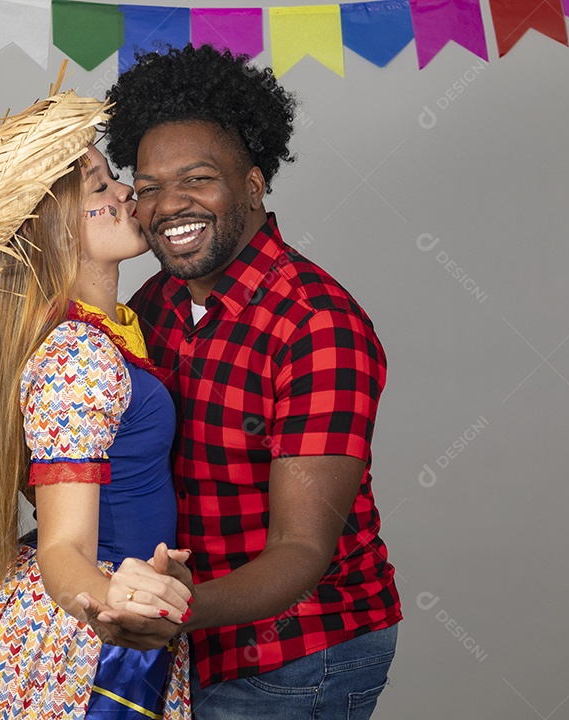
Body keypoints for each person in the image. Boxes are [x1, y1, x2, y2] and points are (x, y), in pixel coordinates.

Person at [80, 45, 402, 719]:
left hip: (300, 648)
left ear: (253, 186)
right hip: (191, 636)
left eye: (197, 180)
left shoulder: (318, 327)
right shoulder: (155, 304)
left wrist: (177, 608)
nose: (169, 206)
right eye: (147, 186)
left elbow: (301, 547)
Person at [0, 67, 193, 719]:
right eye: (101, 185)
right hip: (86, 643)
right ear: (58, 228)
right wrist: (108, 603)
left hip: (124, 615)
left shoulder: (113, 328)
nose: (126, 190)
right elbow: (63, 551)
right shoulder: (77, 354)